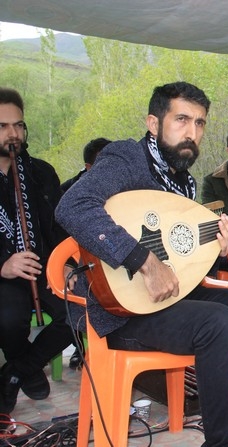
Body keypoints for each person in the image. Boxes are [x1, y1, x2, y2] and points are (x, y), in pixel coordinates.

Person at [55, 82, 228, 447]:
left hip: (175, 298)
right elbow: (73, 207)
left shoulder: (184, 183)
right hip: (125, 309)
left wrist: (217, 247)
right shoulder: (127, 158)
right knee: (217, 322)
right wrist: (143, 261)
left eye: (200, 123)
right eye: (182, 119)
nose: (192, 132)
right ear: (153, 124)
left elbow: (180, 256)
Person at [0, 87, 73, 422]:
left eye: (18, 125)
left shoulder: (42, 172)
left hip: (45, 269)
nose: (13, 133)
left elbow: (60, 228)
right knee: (8, 318)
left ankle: (16, 372)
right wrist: (4, 265)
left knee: (79, 312)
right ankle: (27, 370)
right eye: (3, 126)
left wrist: (68, 266)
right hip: (4, 276)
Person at [60, 136, 111, 369]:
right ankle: (81, 348)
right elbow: (59, 238)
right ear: (89, 168)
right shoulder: (68, 194)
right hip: (79, 265)